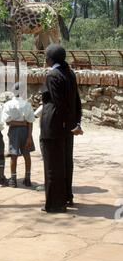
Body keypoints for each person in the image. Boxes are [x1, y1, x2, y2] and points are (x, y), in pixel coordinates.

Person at [40, 44, 82, 213]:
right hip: (66, 128)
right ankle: (67, 197)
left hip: (53, 127)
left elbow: (60, 103)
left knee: (52, 165)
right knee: (65, 163)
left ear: (50, 59)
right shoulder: (69, 73)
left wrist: (68, 123)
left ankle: (55, 203)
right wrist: (75, 124)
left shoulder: (52, 75)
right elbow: (76, 101)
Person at [2, 83, 36, 188]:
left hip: (14, 131)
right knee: (27, 154)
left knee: (13, 155)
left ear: (13, 92)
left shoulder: (8, 104)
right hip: (26, 131)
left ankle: (13, 180)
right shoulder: (27, 104)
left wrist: (18, 123)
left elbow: (8, 122)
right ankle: (27, 179)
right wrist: (29, 136)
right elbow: (30, 122)